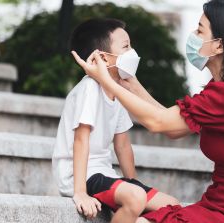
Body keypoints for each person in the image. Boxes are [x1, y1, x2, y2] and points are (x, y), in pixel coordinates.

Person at [71, 0, 224, 222]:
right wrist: (132, 85)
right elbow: (172, 127)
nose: (193, 35)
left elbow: (159, 122)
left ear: (219, 46)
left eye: (200, 30)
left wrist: (106, 81)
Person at [52, 18, 179, 223]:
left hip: (104, 173)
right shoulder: (89, 89)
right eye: (126, 46)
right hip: (81, 176)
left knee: (172, 206)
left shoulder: (116, 89)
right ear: (102, 57)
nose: (132, 52)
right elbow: (81, 140)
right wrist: (80, 192)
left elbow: (123, 146)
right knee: (136, 198)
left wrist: (134, 183)